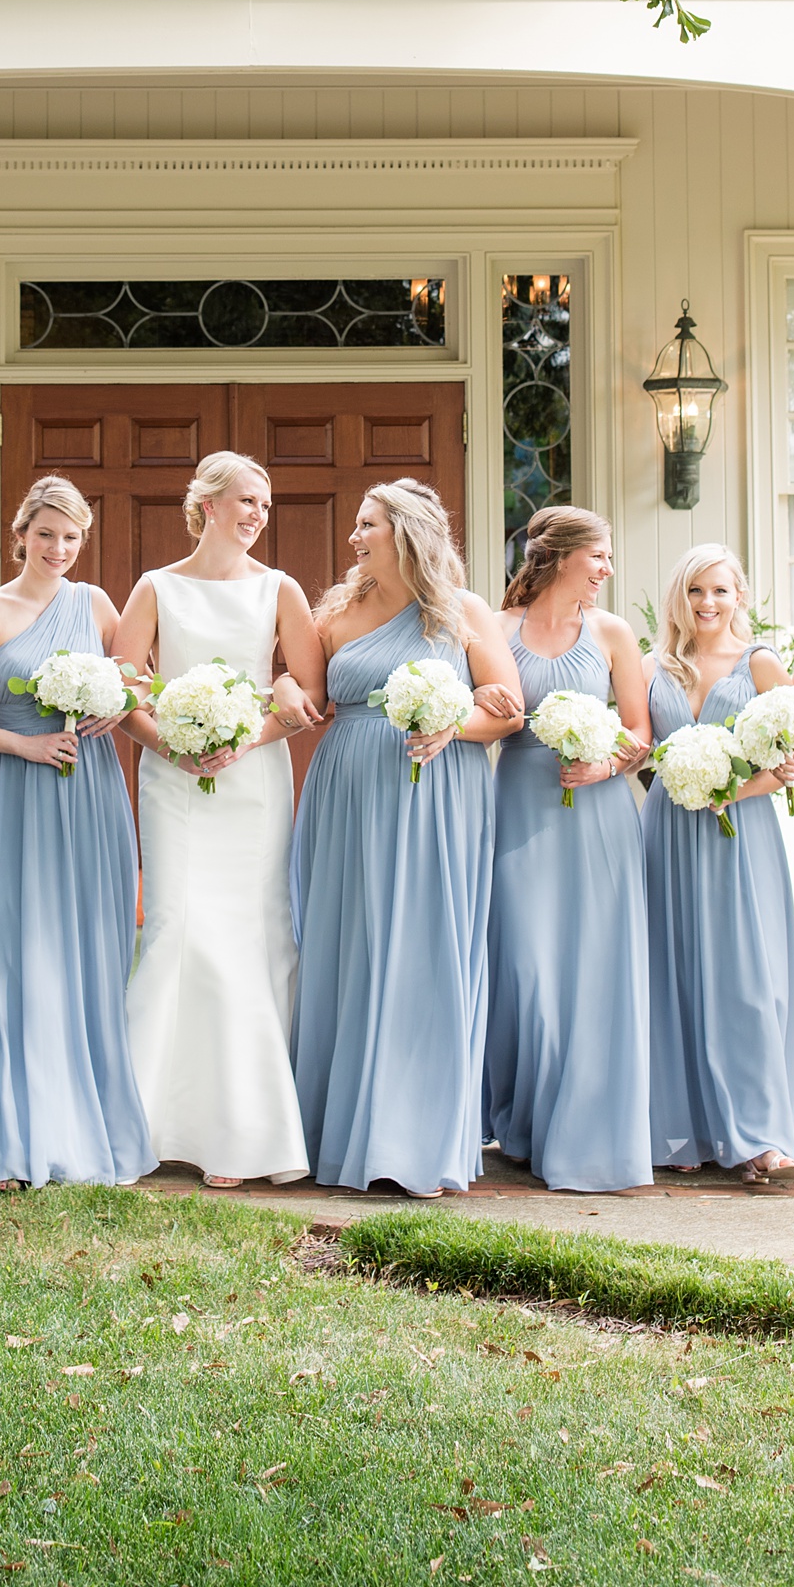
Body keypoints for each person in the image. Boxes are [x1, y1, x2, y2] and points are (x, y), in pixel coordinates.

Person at [290, 480, 523, 1197]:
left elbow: (509, 711)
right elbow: (308, 698)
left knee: (425, 951)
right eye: (357, 523)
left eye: (369, 524)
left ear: (408, 532)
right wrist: (279, 694)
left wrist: (456, 725)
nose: (355, 535)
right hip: (350, 789)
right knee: (351, 948)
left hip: (439, 793)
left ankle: (417, 1139)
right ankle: (343, 1133)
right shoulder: (334, 612)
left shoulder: (461, 613)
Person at [118, 452, 326, 1188]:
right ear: (206, 503)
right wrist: (172, 742)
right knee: (174, 924)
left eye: (265, 504)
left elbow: (309, 691)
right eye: (246, 499)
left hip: (254, 784)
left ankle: (241, 1132)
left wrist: (245, 739)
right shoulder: (156, 587)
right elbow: (125, 691)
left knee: (249, 933)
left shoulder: (280, 588)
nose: (257, 514)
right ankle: (146, 1120)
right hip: (170, 782)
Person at [0, 475, 153, 1188]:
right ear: (20, 534)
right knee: (14, 953)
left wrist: (117, 701)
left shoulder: (94, 603)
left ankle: (85, 1123)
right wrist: (22, 743)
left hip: (89, 792)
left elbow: (139, 680)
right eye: (46, 534)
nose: (58, 548)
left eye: (70, 537)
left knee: (86, 950)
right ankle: (12, 1134)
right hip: (14, 792)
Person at [483, 504, 654, 1193]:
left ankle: (583, 1126)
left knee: (591, 969)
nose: (608, 570)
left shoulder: (611, 633)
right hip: (521, 802)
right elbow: (485, 714)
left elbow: (639, 730)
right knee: (527, 967)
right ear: (558, 555)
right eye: (600, 557)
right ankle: (523, 1120)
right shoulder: (498, 629)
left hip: (599, 813)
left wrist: (606, 763)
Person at [643, 544, 794, 1184]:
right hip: (664, 831)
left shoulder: (760, 664)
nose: (706, 604)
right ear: (678, 599)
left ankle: (761, 1135)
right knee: (672, 972)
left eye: (718, 591)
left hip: (739, 833)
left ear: (740, 595)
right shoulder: (651, 665)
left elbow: (792, 763)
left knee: (747, 977)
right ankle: (683, 1130)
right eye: (694, 592)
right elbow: (638, 742)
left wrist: (729, 790)